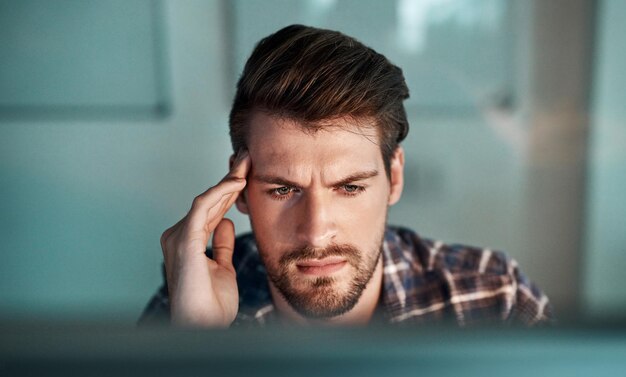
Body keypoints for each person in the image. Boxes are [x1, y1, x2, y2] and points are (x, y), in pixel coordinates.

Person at [140, 24, 552, 328]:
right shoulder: (192, 298)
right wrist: (198, 342)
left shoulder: (495, 300)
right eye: (283, 189)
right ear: (241, 191)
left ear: (394, 178)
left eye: (350, 187)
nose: (316, 233)